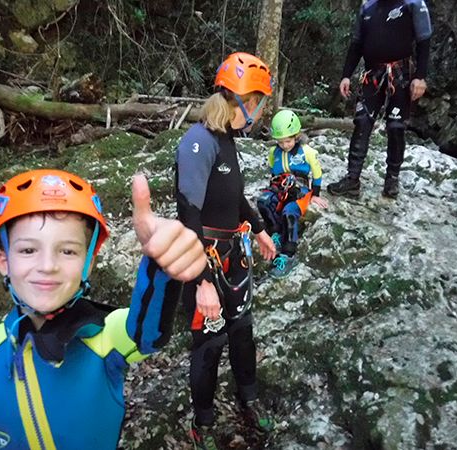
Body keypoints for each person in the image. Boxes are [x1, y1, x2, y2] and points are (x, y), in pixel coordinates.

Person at [0, 169, 206, 450]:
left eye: (68, 251)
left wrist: (160, 266)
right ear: (3, 261)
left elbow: (147, 332)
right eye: (28, 250)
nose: (48, 266)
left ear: (88, 263)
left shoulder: (101, 336)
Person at [175, 52, 277, 449]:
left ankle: (247, 398)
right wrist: (201, 281)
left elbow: (234, 199)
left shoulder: (227, 141)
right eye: (261, 102)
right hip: (204, 260)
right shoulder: (198, 142)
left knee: (242, 332)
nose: (262, 110)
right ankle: (203, 419)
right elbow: (188, 213)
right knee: (209, 342)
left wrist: (262, 229)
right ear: (248, 101)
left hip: (233, 256)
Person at [327, 0, 432, 199]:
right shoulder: (368, 8)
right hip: (372, 73)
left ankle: (392, 179)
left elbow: (424, 40)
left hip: (400, 73)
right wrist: (346, 75)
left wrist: (420, 76)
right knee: (362, 121)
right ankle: (352, 179)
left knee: (396, 126)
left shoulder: (413, 4)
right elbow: (356, 44)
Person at [257, 109, 328, 278]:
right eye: (280, 142)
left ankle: (289, 253)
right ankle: (276, 233)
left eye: (288, 141)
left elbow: (317, 174)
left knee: (289, 212)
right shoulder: (274, 152)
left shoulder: (307, 152)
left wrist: (315, 194)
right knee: (263, 201)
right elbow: (273, 172)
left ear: (296, 136)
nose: (284, 145)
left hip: (300, 189)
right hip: (281, 185)